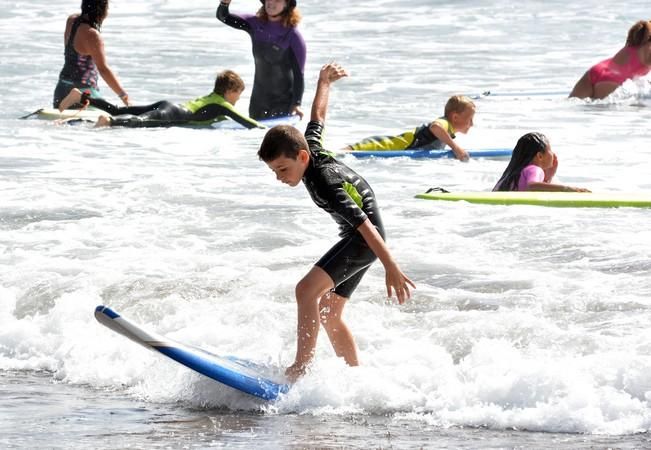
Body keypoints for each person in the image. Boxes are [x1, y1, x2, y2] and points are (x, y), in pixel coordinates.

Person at [258, 63, 415, 382]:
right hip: (360, 239)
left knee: (305, 291)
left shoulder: (326, 182)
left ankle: (301, 368)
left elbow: (366, 229)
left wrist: (391, 267)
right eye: (274, 172)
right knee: (329, 310)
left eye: (283, 169)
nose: (280, 178)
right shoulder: (308, 148)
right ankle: (356, 379)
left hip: (366, 241)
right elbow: (317, 118)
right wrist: (323, 81)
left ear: (301, 158)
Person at [57, 70, 262, 129]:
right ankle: (109, 122)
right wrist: (266, 129)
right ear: (230, 91)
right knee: (142, 122)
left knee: (120, 109)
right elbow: (247, 123)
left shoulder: (214, 97)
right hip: (175, 114)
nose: (238, 99)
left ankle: (83, 97)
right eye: (238, 94)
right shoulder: (223, 104)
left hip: (168, 105)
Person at [217, 0, 306, 120]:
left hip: (283, 104)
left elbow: (298, 75)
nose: (271, 2)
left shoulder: (293, 36)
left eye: (278, 0)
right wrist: (224, 3)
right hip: (258, 101)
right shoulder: (255, 24)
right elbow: (223, 17)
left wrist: (296, 104)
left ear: (287, 4)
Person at [343, 95, 475, 161]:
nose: (472, 124)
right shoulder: (444, 123)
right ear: (455, 117)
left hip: (393, 147)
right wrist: (456, 148)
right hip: (386, 145)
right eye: (470, 119)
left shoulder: (448, 129)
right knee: (341, 153)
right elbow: (435, 127)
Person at [53, 0, 130, 109]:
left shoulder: (71, 21)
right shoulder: (92, 35)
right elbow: (103, 69)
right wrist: (123, 95)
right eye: (107, 8)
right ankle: (76, 96)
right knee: (114, 115)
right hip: (84, 92)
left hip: (61, 90)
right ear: (101, 10)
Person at [569, 20, 651, 100]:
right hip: (614, 81)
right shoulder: (648, 49)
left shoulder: (633, 43)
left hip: (595, 72)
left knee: (572, 108)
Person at [493, 132, 590, 192]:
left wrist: (548, 177)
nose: (553, 154)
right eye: (550, 150)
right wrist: (566, 188)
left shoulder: (511, 174)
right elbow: (532, 186)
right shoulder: (535, 169)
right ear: (540, 156)